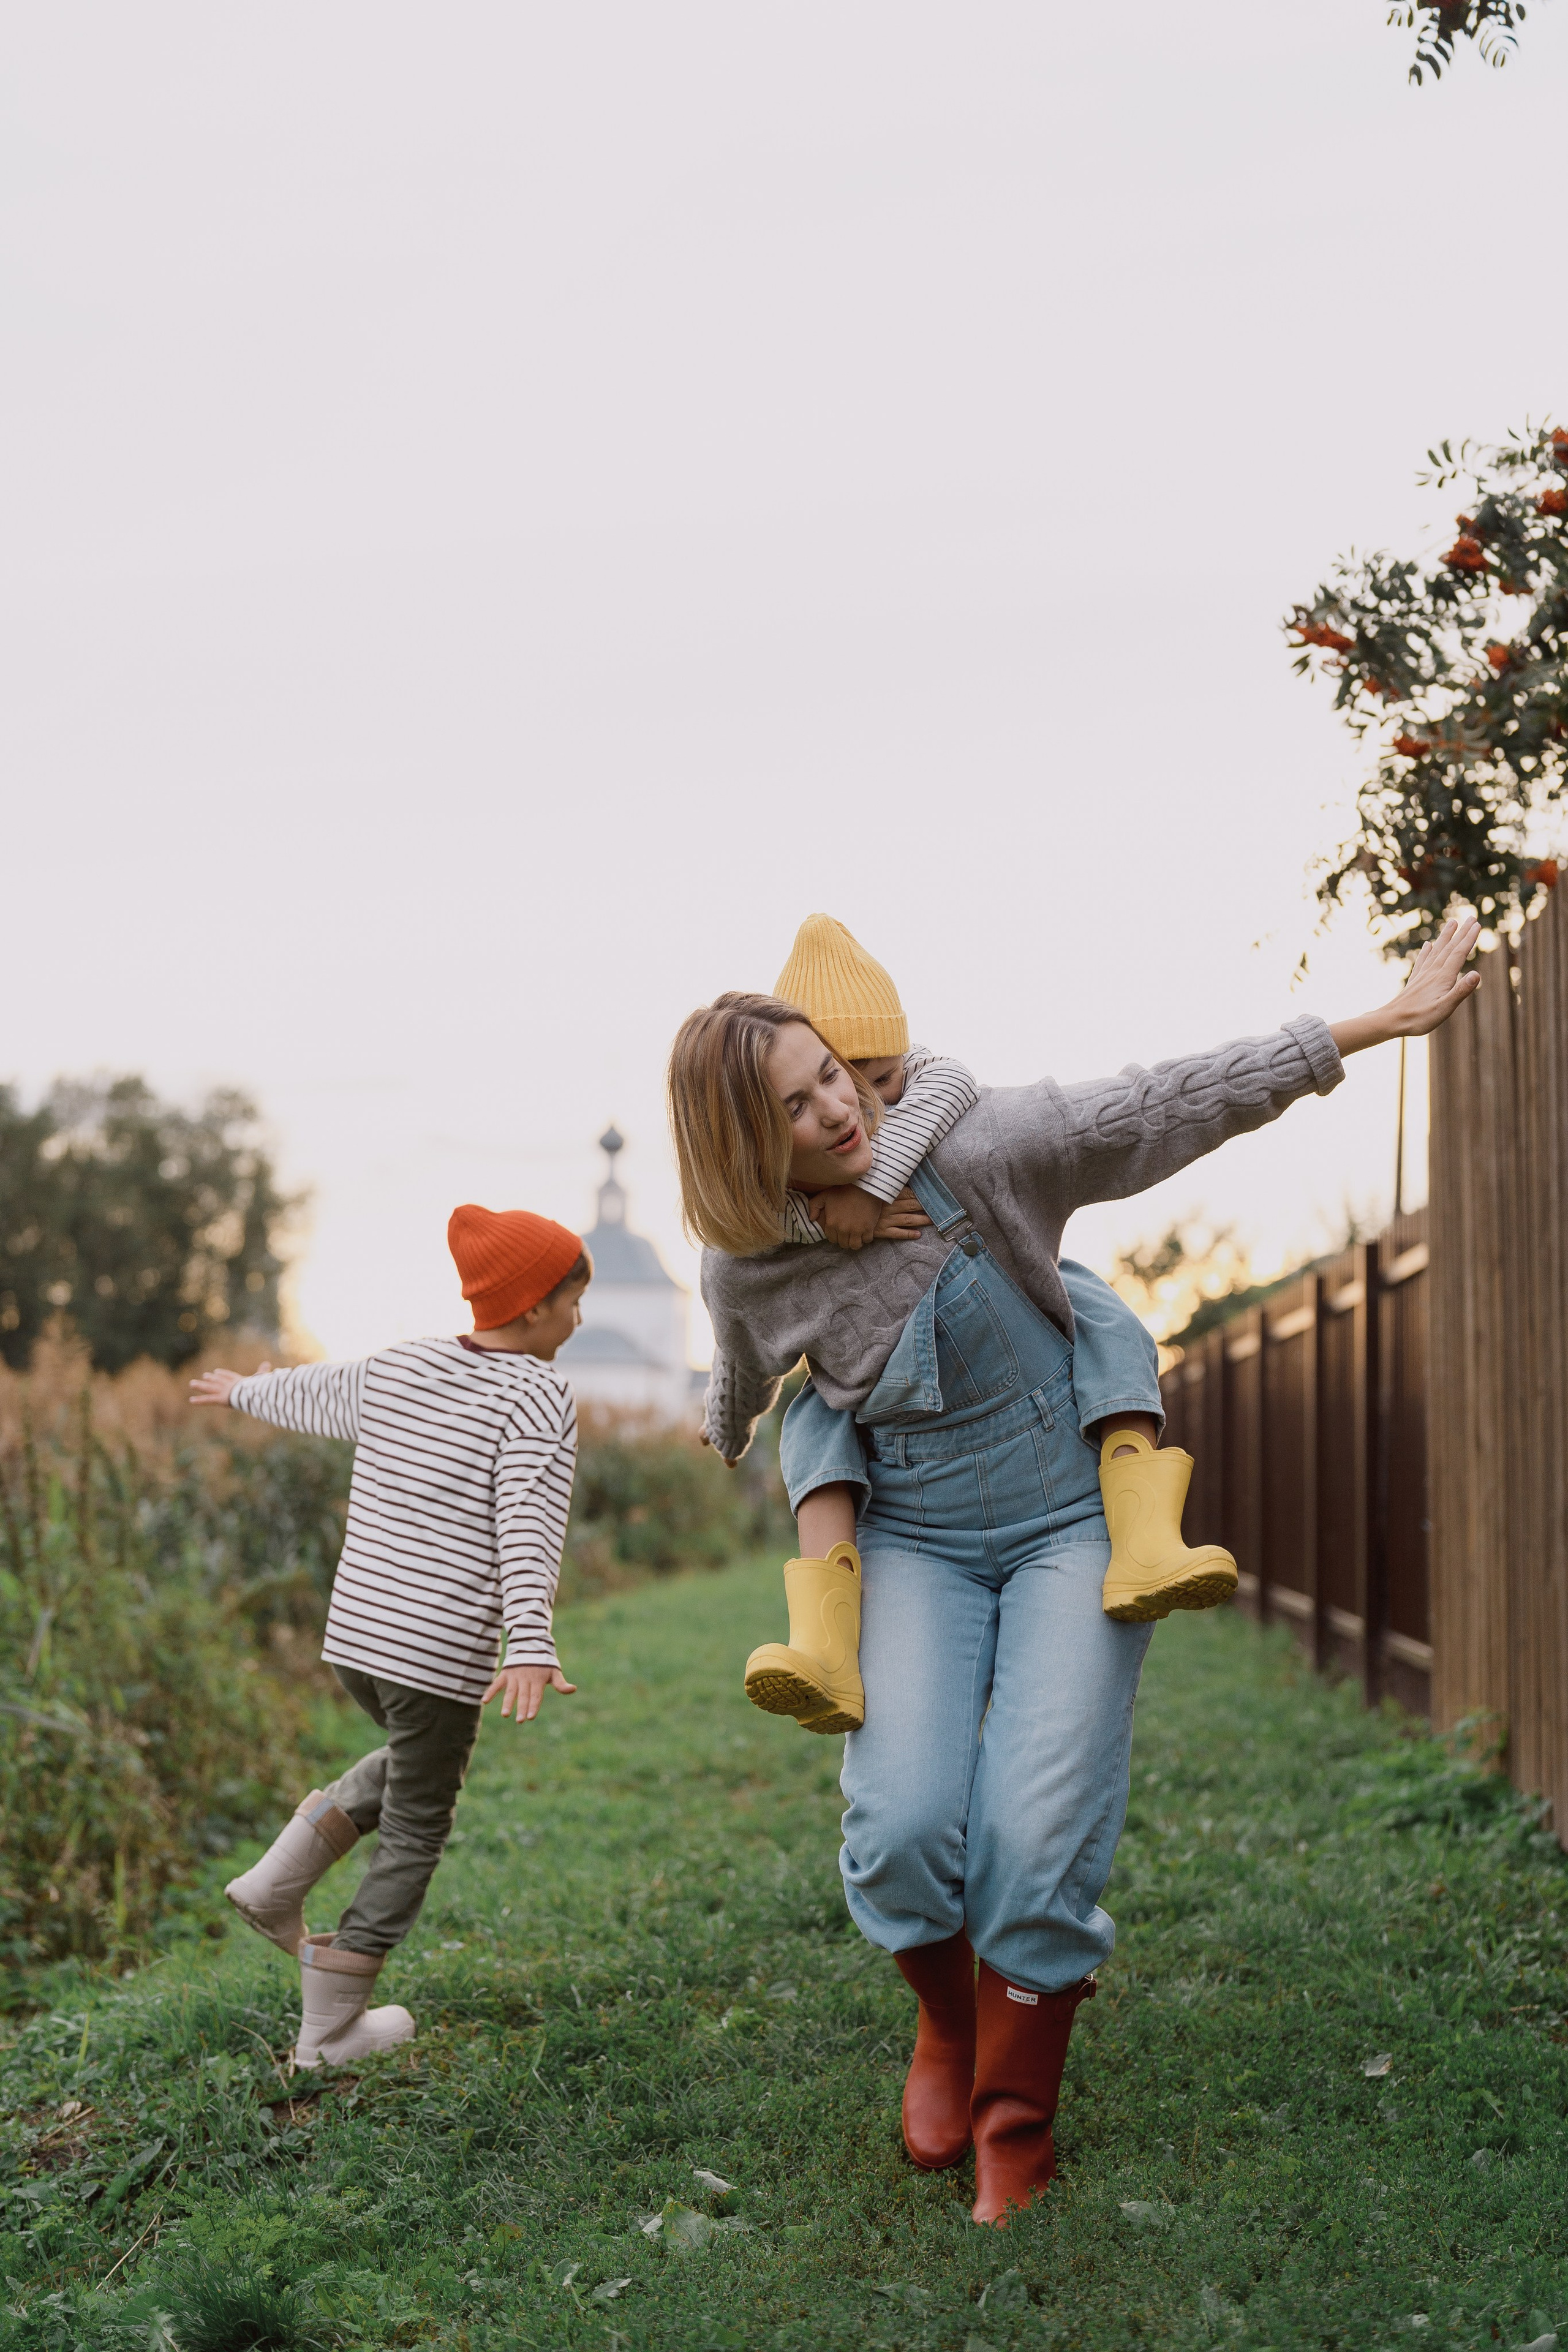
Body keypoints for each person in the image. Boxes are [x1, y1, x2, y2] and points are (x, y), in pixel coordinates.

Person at [667, 914, 1479, 2223]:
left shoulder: (975, 1146)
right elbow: (740, 1366)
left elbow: (1157, 1104)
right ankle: (947, 2024)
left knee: (1031, 1835)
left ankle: (1013, 2117)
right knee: (901, 1831)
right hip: (916, 1541)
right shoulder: (743, 1265)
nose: (837, 1108)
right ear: (737, 1145)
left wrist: (1363, 1028)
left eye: (832, 1073)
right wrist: (718, 1430)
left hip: (1066, 1525)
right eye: (794, 1103)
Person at [737, 914, 1234, 1740]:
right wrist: (815, 1221)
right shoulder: (768, 1201)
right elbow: (743, 1270)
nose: (857, 1106)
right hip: (903, 1473)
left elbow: (945, 1089)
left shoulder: (933, 1082)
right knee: (817, 1413)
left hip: (1029, 1364)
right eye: (821, 1088)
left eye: (871, 1077)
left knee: (1096, 1309)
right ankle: (823, 1639)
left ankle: (1145, 1525)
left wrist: (869, 1189)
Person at [189, 1204, 588, 2069]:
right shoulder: (539, 1393)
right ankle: (332, 2026)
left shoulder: (406, 1363)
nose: (578, 1318)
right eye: (571, 1300)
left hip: (357, 1641)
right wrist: (528, 1639)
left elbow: (317, 1388)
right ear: (529, 1309)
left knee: (414, 1754)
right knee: (419, 1822)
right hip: (433, 1652)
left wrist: (243, 1391)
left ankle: (273, 1883)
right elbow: (526, 1519)